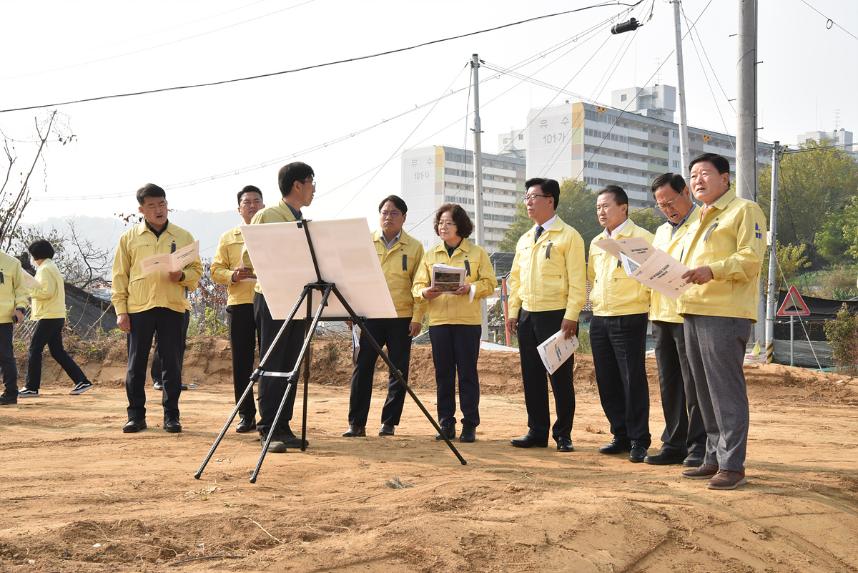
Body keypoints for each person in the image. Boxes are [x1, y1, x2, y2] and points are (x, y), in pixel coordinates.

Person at [678, 153, 767, 490]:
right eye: (693, 175)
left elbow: (750, 258)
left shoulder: (744, 211)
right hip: (693, 308)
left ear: (725, 178)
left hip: (725, 312)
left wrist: (712, 270)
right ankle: (713, 456)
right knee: (703, 391)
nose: (697, 180)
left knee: (724, 390)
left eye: (704, 173)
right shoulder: (697, 218)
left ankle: (732, 464)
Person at [111, 183, 202, 433]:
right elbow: (120, 275)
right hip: (139, 307)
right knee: (135, 364)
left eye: (162, 204)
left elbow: (196, 270)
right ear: (142, 209)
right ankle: (136, 416)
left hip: (173, 306)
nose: (158, 209)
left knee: (171, 364)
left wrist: (181, 275)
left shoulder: (182, 236)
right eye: (151, 205)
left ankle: (171, 416)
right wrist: (121, 310)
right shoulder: (129, 238)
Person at [506, 178, 586, 453]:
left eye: (533, 196)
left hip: (557, 316)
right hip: (528, 315)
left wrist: (572, 314)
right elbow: (515, 279)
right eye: (526, 197)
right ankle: (536, 431)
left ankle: (563, 434)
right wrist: (514, 311)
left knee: (560, 377)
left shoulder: (569, 236)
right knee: (532, 377)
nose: (528, 202)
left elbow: (578, 280)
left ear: (550, 200)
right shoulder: (526, 238)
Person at [412, 204, 496, 443]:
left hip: (468, 323)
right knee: (444, 376)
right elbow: (416, 287)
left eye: (448, 223)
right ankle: (445, 423)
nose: (443, 227)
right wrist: (426, 292)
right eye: (440, 223)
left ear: (460, 225)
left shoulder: (477, 253)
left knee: (468, 374)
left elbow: (490, 283)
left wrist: (471, 287)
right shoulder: (431, 255)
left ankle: (469, 424)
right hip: (439, 322)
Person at [343, 195, 425, 438]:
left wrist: (417, 316)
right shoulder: (365, 242)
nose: (388, 217)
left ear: (404, 218)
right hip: (369, 315)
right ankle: (356, 424)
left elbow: (419, 284)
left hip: (401, 317)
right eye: (384, 212)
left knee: (398, 371)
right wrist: (350, 311)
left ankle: (389, 423)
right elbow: (352, 279)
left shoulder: (415, 247)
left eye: (394, 213)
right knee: (362, 367)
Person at [250, 162, 316, 453]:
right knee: (273, 363)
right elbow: (252, 255)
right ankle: (268, 428)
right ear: (298, 185)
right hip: (273, 297)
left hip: (298, 299)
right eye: (311, 182)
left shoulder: (302, 218)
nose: (314, 189)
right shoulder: (269, 215)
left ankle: (284, 425)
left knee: (291, 363)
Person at [587, 185, 654, 463]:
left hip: (630, 315)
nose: (601, 212)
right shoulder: (596, 242)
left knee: (631, 379)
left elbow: (654, 277)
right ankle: (620, 434)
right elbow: (594, 277)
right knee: (607, 379)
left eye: (606, 206)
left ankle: (640, 439)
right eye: (598, 208)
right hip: (600, 316)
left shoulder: (642, 238)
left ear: (623, 207)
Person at [643, 173, 705, 467]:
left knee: (692, 384)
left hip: (687, 313)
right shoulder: (661, 232)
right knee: (669, 383)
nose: (667, 208)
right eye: (661, 205)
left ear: (686, 192)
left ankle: (699, 446)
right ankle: (673, 443)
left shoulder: (702, 225)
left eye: (670, 201)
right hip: (661, 313)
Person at [210, 185, 265, 433]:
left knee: (269, 361)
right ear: (239, 208)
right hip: (240, 304)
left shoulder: (272, 233)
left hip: (268, 302)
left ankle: (270, 415)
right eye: (247, 202)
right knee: (241, 363)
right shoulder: (228, 237)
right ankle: (246, 415)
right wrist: (233, 275)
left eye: (256, 201)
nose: (252, 205)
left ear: (264, 205)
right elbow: (215, 271)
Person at [17, 239, 92, 398]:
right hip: (55, 314)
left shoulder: (45, 269)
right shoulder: (51, 267)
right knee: (57, 351)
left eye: (32, 256)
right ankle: (82, 381)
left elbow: (46, 292)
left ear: (36, 256)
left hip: (48, 315)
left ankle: (31, 387)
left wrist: (29, 292)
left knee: (34, 348)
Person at [0, 251, 29, 406]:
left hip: (3, 317)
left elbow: (20, 290)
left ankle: (10, 393)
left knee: (5, 356)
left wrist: (20, 308)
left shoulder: (12, 263)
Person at [149, 313, 190, 392]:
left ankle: (175, 381)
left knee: (180, 344)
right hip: (164, 307)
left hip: (182, 307)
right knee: (162, 342)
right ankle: (158, 379)